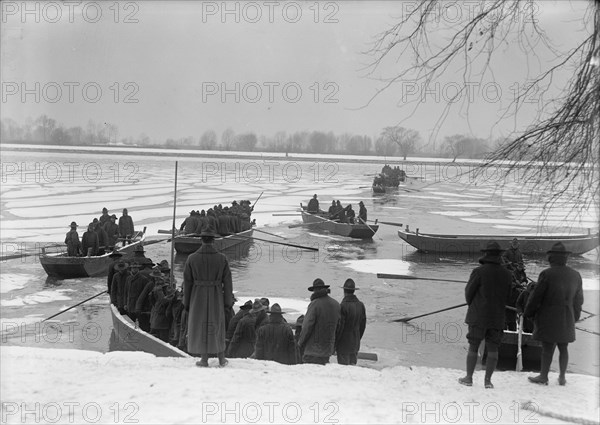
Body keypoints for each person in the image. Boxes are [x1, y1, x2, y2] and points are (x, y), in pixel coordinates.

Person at [524, 242, 584, 386]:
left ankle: (543, 376)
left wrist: (528, 312)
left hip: (549, 316)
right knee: (563, 347)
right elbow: (579, 300)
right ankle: (562, 377)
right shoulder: (576, 275)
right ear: (565, 258)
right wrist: (574, 317)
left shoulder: (547, 274)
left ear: (551, 258)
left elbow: (536, 296)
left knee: (547, 347)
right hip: (567, 316)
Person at [459, 241, 512, 389]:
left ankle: (468, 378)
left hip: (478, 315)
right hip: (498, 316)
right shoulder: (507, 274)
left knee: (474, 346)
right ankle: (488, 381)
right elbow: (509, 296)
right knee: (493, 348)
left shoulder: (479, 272)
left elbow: (468, 293)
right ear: (500, 255)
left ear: (486, 254)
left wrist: (474, 305)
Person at [183, 229, 234, 367]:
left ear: (201, 239)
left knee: (201, 326)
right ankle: (221, 358)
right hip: (216, 295)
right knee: (217, 325)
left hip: (197, 296)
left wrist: (186, 303)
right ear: (213, 240)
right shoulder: (222, 258)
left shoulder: (191, 258)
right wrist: (228, 302)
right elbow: (228, 283)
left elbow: (187, 283)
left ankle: (204, 359)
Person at [297, 278, 340, 365]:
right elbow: (339, 327)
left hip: (312, 350)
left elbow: (307, 327)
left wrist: (300, 343)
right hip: (327, 349)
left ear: (315, 290)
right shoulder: (336, 304)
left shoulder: (315, 304)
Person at [335, 279, 367, 365]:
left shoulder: (342, 306)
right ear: (354, 291)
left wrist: (335, 344)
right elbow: (362, 326)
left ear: (344, 291)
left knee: (344, 370)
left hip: (343, 345)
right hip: (355, 344)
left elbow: (339, 328)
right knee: (352, 370)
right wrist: (357, 338)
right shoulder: (361, 305)